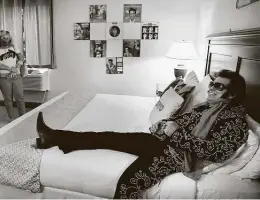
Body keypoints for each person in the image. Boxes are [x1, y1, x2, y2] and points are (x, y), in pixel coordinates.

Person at [35, 69, 249, 199]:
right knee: (110, 137)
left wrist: (176, 135)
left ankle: (57, 139)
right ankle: (55, 137)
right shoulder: (207, 107)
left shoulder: (233, 120)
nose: (211, 88)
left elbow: (218, 152)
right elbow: (180, 121)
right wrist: (164, 123)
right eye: (212, 83)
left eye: (218, 86)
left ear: (231, 95)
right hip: (165, 143)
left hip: (176, 157)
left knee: (129, 182)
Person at [0, 30, 26, 121]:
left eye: (7, 37)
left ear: (10, 38)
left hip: (16, 76)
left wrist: (17, 68)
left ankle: (23, 118)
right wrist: (10, 69)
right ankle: (11, 119)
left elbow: (21, 57)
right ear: (0, 38)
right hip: (3, 77)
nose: (6, 39)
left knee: (20, 98)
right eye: (3, 37)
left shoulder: (14, 47)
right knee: (8, 99)